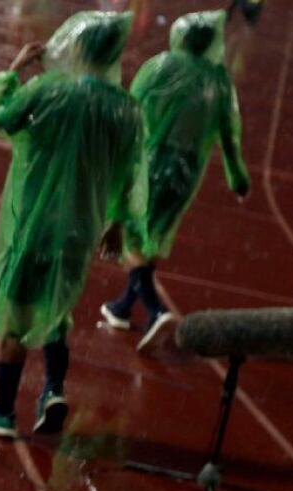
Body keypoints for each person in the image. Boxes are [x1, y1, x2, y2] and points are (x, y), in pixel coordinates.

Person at [0, 11, 142, 439]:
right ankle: (52, 390)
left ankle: (4, 410)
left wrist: (14, 70)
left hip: (34, 221)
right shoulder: (125, 109)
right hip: (80, 228)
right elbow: (130, 171)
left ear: (77, 47)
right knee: (55, 306)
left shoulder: (50, 90)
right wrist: (118, 221)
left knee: (15, 310)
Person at [100, 9, 250, 351]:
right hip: (186, 172)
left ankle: (155, 310)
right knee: (153, 233)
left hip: (153, 162)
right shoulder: (219, 82)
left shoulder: (160, 67)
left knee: (132, 238)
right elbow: (230, 134)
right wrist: (237, 174)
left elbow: (129, 108)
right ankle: (122, 307)